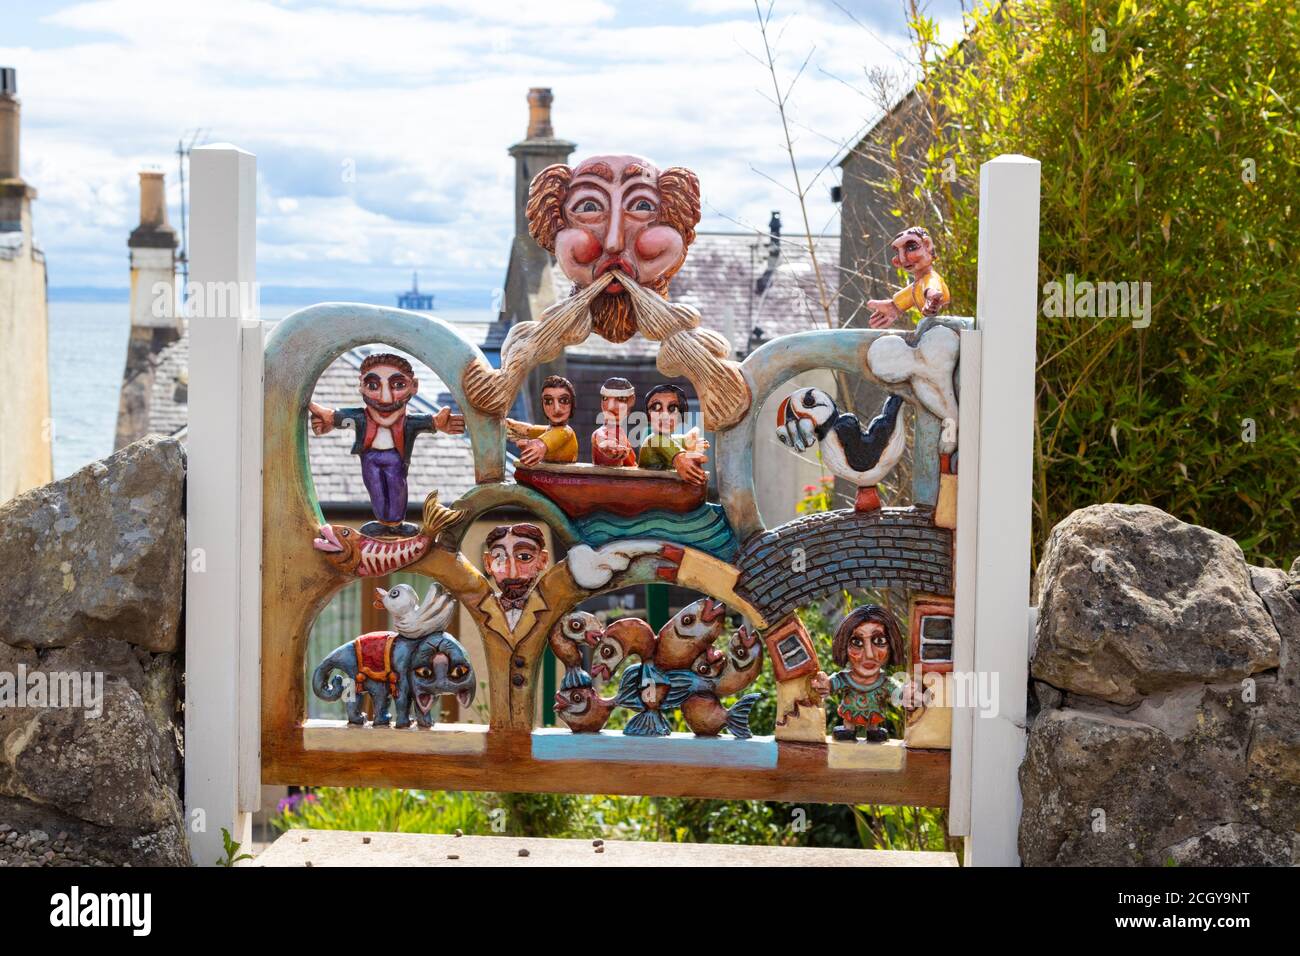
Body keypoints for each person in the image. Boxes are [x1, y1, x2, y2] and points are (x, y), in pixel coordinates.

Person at [308, 353, 464, 537]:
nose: (385, 398)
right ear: (361, 386)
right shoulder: (361, 418)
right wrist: (323, 418)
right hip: (370, 458)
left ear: (414, 387)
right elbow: (335, 417)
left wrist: (439, 423)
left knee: (396, 487)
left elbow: (430, 422)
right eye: (373, 386)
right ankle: (384, 522)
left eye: (398, 385)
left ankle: (395, 523)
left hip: (395, 458)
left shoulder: (409, 422)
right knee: (376, 489)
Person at [811, 605, 913, 742]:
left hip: (874, 714)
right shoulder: (845, 679)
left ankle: (873, 731)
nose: (869, 654)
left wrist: (905, 693)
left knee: (875, 732)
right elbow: (832, 685)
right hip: (850, 713)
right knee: (847, 730)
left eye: (879, 641)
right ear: (843, 647)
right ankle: (848, 730)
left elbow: (897, 692)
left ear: (892, 645)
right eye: (857, 642)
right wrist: (825, 684)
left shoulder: (884, 682)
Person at [866, 226, 950, 328]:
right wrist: (892, 308)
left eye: (911, 248)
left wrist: (932, 299)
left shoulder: (930, 278)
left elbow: (932, 288)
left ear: (927, 245)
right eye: (898, 252)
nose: (903, 259)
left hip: (945, 328)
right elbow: (898, 304)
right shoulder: (917, 285)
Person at [637, 383, 709, 484]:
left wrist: (690, 443)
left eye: (673, 409)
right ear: (648, 416)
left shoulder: (673, 440)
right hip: (652, 489)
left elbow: (678, 441)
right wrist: (680, 458)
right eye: (656, 408)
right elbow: (672, 449)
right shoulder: (653, 440)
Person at [506, 375, 578, 465]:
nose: (557, 409)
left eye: (564, 400)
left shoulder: (566, 432)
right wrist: (507, 425)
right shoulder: (549, 431)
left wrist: (538, 446)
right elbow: (527, 430)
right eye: (548, 401)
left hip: (563, 477)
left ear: (572, 403)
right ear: (542, 405)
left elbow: (549, 439)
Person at [591, 377, 638, 467]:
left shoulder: (620, 432)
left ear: (631, 401)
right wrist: (606, 445)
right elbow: (601, 437)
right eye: (605, 398)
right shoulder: (601, 432)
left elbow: (631, 464)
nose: (610, 407)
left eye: (620, 399)